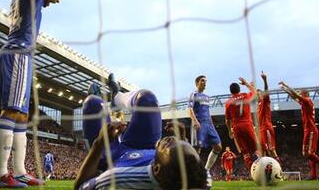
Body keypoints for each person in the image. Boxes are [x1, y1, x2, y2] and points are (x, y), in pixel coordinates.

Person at [0, 0, 65, 188]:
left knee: (22, 116)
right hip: (19, 54)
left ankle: (20, 172)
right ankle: (1, 175)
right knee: (12, 111)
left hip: (20, 55)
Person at [75, 74, 207, 190]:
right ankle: (116, 97)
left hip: (112, 159)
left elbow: (80, 187)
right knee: (147, 98)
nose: (172, 139)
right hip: (146, 145)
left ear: (156, 169)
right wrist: (183, 139)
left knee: (92, 102)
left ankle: (103, 100)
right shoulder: (199, 178)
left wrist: (99, 143)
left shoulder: (119, 179)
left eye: (170, 146)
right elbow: (195, 170)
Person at [279, 82, 319, 180]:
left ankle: (314, 175)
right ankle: (313, 175)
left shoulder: (308, 101)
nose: (299, 95)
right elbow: (294, 97)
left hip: (311, 130)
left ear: (304, 95)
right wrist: (285, 90)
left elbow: (296, 95)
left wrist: (288, 86)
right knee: (308, 154)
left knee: (308, 154)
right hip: (308, 130)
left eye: (301, 93)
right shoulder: (304, 102)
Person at [188, 75, 222, 184]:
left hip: (209, 124)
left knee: (218, 146)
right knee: (197, 149)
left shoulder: (207, 97)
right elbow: (189, 109)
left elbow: (207, 111)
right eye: (202, 81)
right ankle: (192, 175)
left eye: (205, 81)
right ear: (197, 82)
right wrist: (195, 121)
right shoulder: (193, 94)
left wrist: (211, 122)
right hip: (199, 123)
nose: (205, 82)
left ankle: (206, 170)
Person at [225, 77, 259, 170]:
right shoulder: (245, 95)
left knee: (245, 153)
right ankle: (261, 168)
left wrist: (230, 131)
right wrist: (247, 84)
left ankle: (253, 172)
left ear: (231, 92)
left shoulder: (228, 102)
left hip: (236, 128)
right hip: (247, 125)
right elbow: (255, 93)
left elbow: (227, 120)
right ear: (239, 89)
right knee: (255, 149)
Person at [257, 72, 279, 161]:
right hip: (261, 129)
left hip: (266, 128)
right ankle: (265, 172)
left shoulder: (265, 101)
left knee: (271, 150)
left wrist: (265, 80)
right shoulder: (258, 106)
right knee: (262, 152)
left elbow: (266, 90)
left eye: (258, 94)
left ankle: (279, 172)